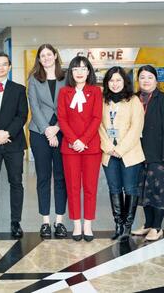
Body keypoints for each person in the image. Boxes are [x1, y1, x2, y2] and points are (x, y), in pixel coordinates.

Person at [57, 56, 102, 242]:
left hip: (91, 147)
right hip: (70, 147)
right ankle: (76, 224)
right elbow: (62, 118)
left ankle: (88, 225)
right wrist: (74, 140)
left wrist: (83, 140)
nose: (80, 72)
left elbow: (96, 118)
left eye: (83, 68)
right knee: (73, 187)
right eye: (76, 69)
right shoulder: (64, 92)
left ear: (89, 72)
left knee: (90, 187)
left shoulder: (96, 91)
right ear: (71, 72)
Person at [0, 52, 27, 239]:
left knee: (16, 183)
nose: (0, 67)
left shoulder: (18, 89)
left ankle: (15, 222)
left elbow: (22, 115)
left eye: (4, 64)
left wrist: (7, 133)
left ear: (9, 67)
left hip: (14, 143)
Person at [27, 43, 68, 239]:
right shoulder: (34, 79)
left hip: (63, 131)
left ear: (55, 55)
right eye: (42, 56)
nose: (46, 58)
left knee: (61, 178)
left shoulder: (66, 77)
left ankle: (59, 221)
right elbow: (34, 106)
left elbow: (69, 105)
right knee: (43, 177)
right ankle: (45, 221)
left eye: (49, 54)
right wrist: (48, 131)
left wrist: (58, 127)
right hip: (39, 133)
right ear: (39, 59)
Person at [98, 66, 145, 240]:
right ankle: (118, 224)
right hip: (109, 152)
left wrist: (121, 148)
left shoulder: (133, 100)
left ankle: (127, 226)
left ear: (125, 81)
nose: (115, 84)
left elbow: (136, 127)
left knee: (130, 188)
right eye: (111, 80)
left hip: (130, 153)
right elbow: (99, 126)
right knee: (114, 188)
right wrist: (108, 146)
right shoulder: (102, 100)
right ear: (106, 83)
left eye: (118, 80)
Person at [133, 65, 164, 242]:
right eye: (142, 77)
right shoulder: (134, 99)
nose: (146, 81)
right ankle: (148, 224)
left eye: (149, 77)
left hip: (158, 153)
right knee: (144, 190)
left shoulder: (163, 98)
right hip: (137, 151)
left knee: (158, 190)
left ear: (155, 80)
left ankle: (157, 227)